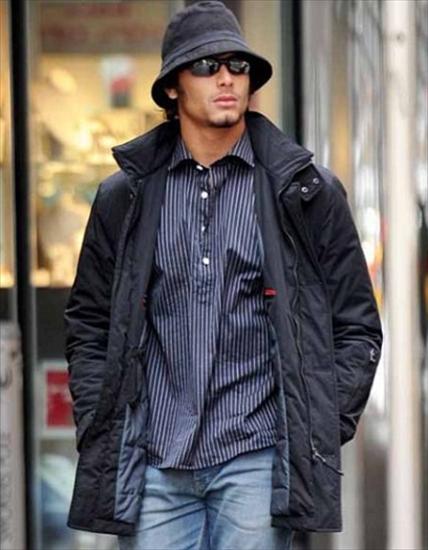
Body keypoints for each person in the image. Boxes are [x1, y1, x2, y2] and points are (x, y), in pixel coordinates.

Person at [64, 2, 382, 549]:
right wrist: (100, 417)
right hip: (153, 460)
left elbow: (356, 325)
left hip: (258, 457)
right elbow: (89, 323)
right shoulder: (126, 195)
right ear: (172, 87)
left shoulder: (305, 192)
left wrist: (318, 425)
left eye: (238, 65)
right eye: (207, 66)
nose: (227, 77)